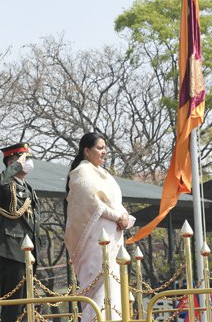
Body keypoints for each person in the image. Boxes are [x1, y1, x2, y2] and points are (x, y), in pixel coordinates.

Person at [64, 132, 134, 322]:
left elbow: (115, 203)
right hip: (95, 241)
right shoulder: (81, 173)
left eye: (105, 148)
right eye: (100, 148)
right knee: (99, 287)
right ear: (87, 151)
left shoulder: (105, 175)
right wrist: (118, 216)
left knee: (113, 284)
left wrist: (125, 216)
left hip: (114, 239)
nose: (104, 152)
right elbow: (94, 204)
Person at [0, 142, 40, 322]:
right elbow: (0, 182)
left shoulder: (28, 188)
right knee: (13, 307)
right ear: (12, 163)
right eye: (24, 159)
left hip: (28, 253)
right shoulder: (5, 184)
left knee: (27, 307)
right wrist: (16, 165)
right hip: (12, 252)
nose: (28, 163)